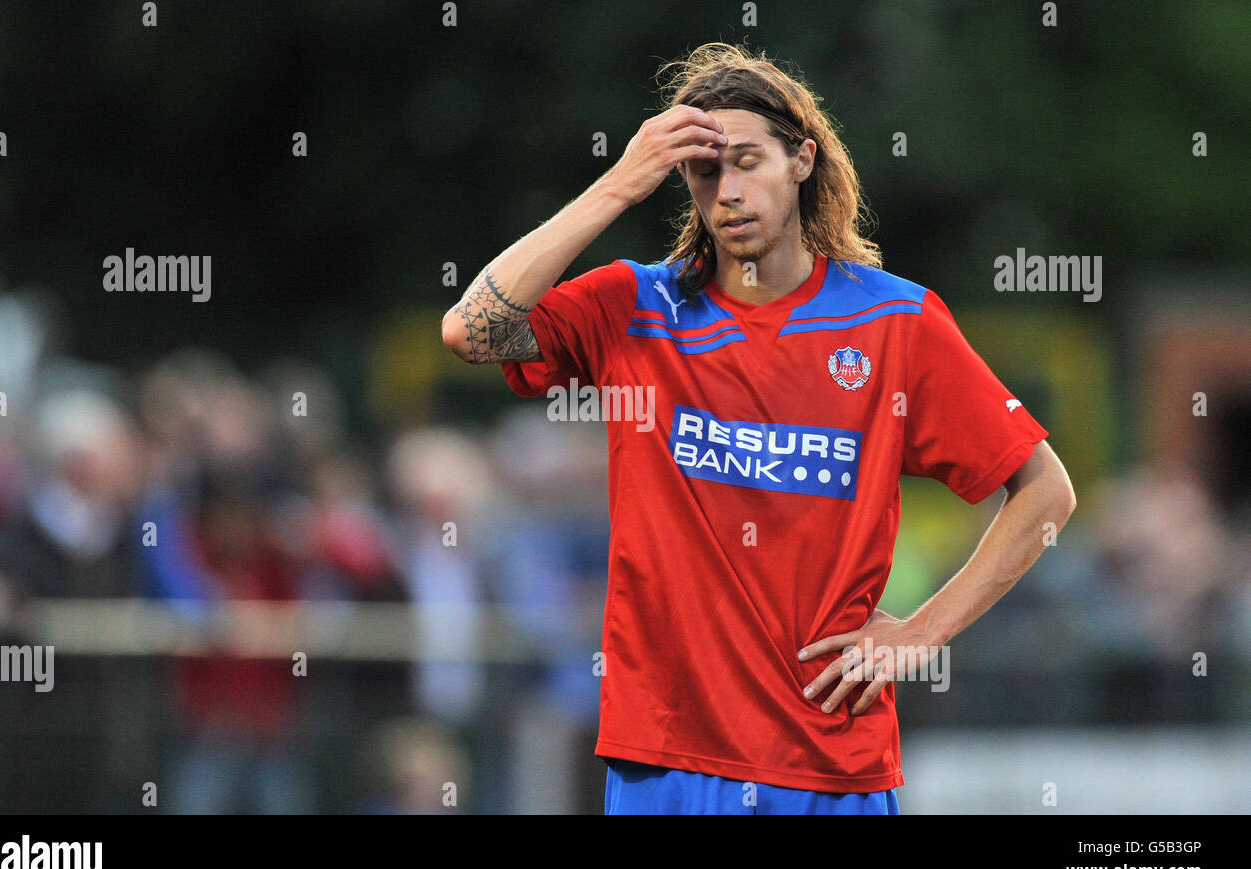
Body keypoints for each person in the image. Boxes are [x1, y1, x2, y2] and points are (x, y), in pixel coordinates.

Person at [440, 43, 1075, 814]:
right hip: (664, 761)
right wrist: (616, 185)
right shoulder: (636, 309)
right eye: (706, 173)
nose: (728, 190)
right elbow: (472, 330)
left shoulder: (895, 321)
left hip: (829, 763)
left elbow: (1045, 491)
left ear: (801, 160)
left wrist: (923, 631)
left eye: (748, 162)